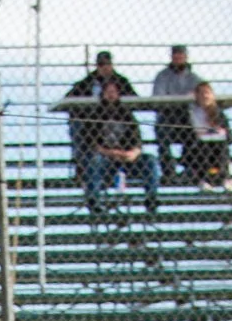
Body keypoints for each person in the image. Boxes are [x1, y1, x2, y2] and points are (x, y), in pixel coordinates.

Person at [80, 78, 160, 214]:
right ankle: (94, 201)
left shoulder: (127, 115)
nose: (111, 95)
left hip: (126, 160)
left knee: (150, 160)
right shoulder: (93, 116)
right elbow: (92, 144)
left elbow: (137, 142)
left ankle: (151, 199)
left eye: (114, 91)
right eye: (108, 92)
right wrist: (112, 153)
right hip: (105, 160)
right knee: (95, 161)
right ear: (102, 94)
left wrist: (133, 153)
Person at [65, 50, 137, 185]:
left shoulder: (121, 81)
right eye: (101, 64)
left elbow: (134, 100)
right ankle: (82, 169)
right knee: (78, 127)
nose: (105, 67)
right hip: (93, 123)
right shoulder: (87, 82)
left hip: (118, 119)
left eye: (107, 64)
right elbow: (69, 100)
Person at [150, 46, 204, 183]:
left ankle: (189, 169)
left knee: (195, 133)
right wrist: (184, 98)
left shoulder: (194, 78)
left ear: (186, 57)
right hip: (167, 116)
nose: (178, 58)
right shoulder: (162, 76)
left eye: (181, 55)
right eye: (176, 55)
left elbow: (200, 98)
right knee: (162, 133)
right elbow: (158, 98)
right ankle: (169, 172)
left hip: (188, 117)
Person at [184, 83, 232, 191]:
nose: (205, 96)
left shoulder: (219, 113)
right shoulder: (191, 113)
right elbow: (187, 136)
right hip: (198, 147)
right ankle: (204, 180)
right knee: (204, 148)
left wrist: (221, 131)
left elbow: (230, 137)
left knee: (221, 148)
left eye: (207, 93)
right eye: (201, 93)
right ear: (196, 96)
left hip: (217, 146)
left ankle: (225, 178)